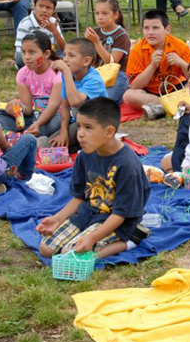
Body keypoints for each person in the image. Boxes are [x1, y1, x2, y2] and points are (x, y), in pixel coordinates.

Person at [36, 97, 151, 260]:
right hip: (89, 213)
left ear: (109, 132)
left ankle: (130, 240)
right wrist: (57, 218)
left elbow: (120, 214)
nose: (80, 134)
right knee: (46, 249)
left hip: (117, 221)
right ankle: (89, 238)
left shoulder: (128, 165)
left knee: (69, 254)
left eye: (88, 127)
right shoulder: (84, 155)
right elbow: (79, 197)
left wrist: (92, 237)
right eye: (79, 126)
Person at [124, 9, 190, 119]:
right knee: (128, 96)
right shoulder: (137, 50)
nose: (150, 32)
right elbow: (134, 85)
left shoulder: (180, 46)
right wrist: (152, 66)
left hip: (175, 89)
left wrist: (181, 63)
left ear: (167, 29)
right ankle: (173, 106)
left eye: (155, 28)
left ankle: (161, 108)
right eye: (146, 28)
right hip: (150, 93)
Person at [42, 38, 108, 154]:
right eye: (65, 55)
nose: (65, 59)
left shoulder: (94, 80)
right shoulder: (67, 76)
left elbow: (75, 102)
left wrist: (66, 72)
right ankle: (79, 146)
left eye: (71, 56)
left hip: (98, 123)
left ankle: (95, 144)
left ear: (86, 61)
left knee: (81, 108)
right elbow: (65, 107)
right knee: (48, 146)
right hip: (78, 123)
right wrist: (63, 132)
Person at [0, 31, 63, 138]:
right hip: (34, 115)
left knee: (57, 122)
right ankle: (25, 135)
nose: (26, 57)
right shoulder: (23, 73)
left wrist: (38, 124)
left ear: (46, 54)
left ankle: (18, 135)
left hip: (54, 115)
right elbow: (28, 109)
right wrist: (18, 107)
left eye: (32, 52)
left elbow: (53, 106)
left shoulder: (57, 72)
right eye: (24, 52)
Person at [85, 0, 131, 104]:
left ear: (115, 15)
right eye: (97, 13)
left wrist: (96, 43)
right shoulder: (95, 32)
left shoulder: (121, 35)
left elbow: (112, 62)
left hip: (116, 75)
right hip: (97, 72)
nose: (100, 17)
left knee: (104, 104)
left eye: (105, 13)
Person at [13, 0, 66, 69]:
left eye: (48, 8)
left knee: (67, 55)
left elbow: (64, 48)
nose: (44, 10)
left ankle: (46, 66)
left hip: (48, 54)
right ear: (34, 6)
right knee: (20, 57)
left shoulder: (53, 22)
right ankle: (45, 66)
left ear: (53, 10)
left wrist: (54, 31)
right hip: (31, 55)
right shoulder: (25, 23)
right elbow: (20, 49)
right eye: (40, 6)